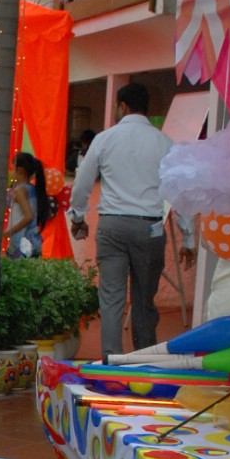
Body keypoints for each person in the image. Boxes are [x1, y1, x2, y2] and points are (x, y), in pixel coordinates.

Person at [68, 83, 196, 357]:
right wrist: (188, 237)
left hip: (112, 226)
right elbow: (180, 190)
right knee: (144, 302)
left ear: (123, 106)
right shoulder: (165, 143)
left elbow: (81, 184)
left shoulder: (105, 139)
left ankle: (111, 360)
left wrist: (78, 216)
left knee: (112, 300)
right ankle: (143, 361)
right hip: (149, 228)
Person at [6, 151, 50, 258]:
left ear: (20, 170)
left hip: (20, 241)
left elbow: (28, 216)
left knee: (13, 267)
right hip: (33, 240)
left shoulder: (20, 190)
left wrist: (8, 232)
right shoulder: (33, 189)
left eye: (13, 168)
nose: (11, 172)